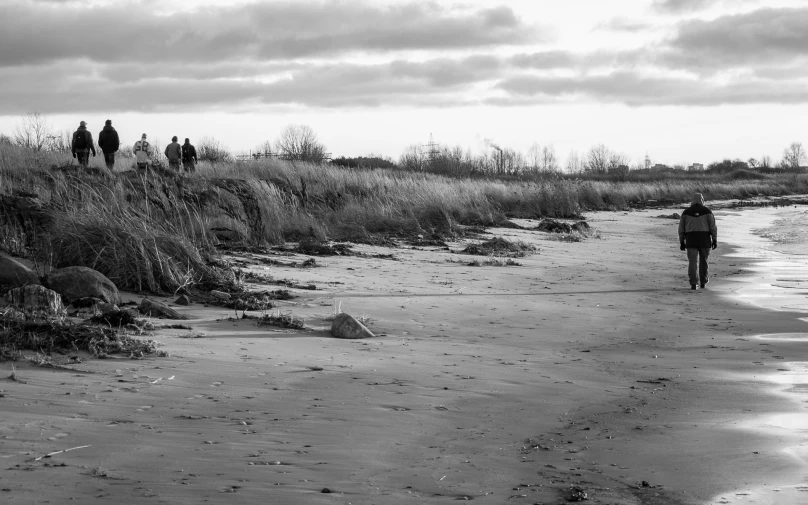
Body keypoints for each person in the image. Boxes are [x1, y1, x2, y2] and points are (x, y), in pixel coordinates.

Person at [678, 193, 718, 290]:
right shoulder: (707, 211)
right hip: (704, 240)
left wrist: (682, 241)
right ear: (702, 200)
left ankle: (693, 283)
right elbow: (713, 227)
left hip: (691, 239)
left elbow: (681, 229)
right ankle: (703, 282)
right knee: (703, 261)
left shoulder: (686, 212)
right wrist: (714, 240)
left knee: (692, 262)